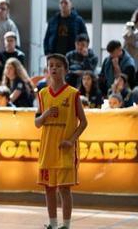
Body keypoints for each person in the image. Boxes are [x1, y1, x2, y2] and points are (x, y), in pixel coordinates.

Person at [35, 53, 88, 229]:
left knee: (64, 189)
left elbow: (84, 122)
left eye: (58, 65)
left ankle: (66, 225)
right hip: (48, 148)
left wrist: (71, 141)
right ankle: (52, 224)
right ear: (47, 70)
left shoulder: (73, 94)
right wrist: (45, 115)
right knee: (48, 188)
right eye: (51, 65)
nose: (54, 68)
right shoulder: (42, 94)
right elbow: (37, 123)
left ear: (65, 69)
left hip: (65, 149)